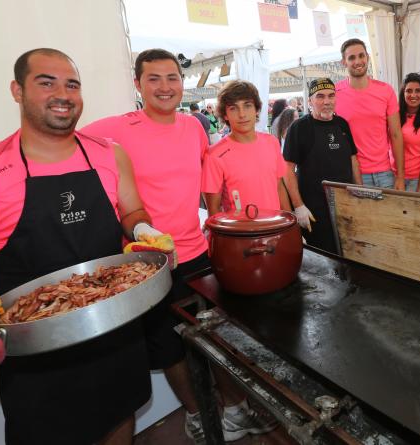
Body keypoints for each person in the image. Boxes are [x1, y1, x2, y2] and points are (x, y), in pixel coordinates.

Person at [0, 48, 169, 445]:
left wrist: (142, 227)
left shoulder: (110, 155)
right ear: (16, 90)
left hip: (115, 322)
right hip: (33, 343)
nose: (63, 94)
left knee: (121, 413)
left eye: (72, 84)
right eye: (46, 82)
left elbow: (131, 208)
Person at [82, 49, 276, 443]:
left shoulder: (193, 127)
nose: (165, 86)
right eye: (153, 78)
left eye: (172, 78)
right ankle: (196, 415)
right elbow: (65, 142)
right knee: (169, 347)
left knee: (219, 337)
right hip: (146, 266)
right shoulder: (115, 129)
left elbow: (213, 182)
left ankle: (235, 410)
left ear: (182, 83)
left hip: (197, 252)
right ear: (137, 85)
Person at [282, 78, 362, 253]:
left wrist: (359, 193)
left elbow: (353, 160)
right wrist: (299, 206)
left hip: (345, 206)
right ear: (310, 100)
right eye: (320, 96)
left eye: (331, 96)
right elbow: (287, 169)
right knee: (323, 261)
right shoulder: (299, 128)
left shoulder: (342, 124)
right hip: (314, 210)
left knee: (349, 253)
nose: (326, 101)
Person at [202, 80, 291, 215]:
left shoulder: (271, 142)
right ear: (225, 114)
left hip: (275, 231)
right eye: (233, 108)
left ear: (256, 110)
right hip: (239, 234)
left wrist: (291, 225)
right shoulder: (214, 154)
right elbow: (214, 211)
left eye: (247, 106)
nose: (242, 114)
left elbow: (279, 187)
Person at [335, 38, 405, 190]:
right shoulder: (334, 93)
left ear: (367, 57)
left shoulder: (385, 90)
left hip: (385, 173)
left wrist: (400, 176)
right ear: (344, 62)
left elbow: (396, 134)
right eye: (351, 58)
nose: (358, 61)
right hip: (352, 174)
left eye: (361, 55)